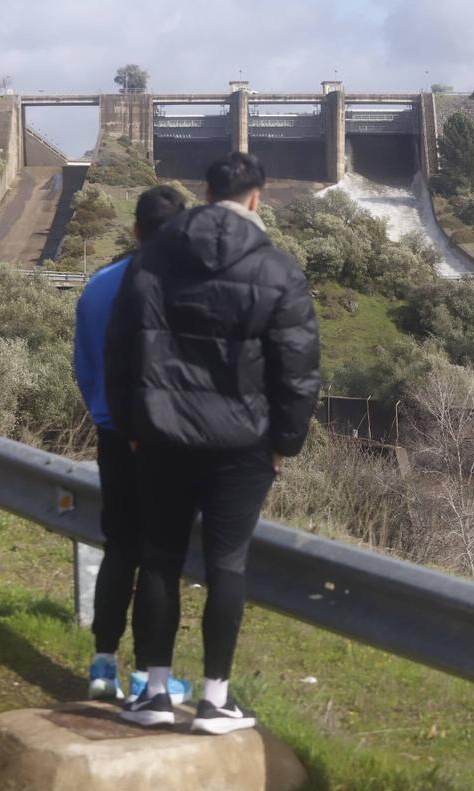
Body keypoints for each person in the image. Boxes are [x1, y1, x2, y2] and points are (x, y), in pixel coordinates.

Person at [105, 152, 320, 734]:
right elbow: (297, 370)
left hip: (161, 435)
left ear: (205, 193)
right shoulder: (278, 269)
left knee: (159, 559)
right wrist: (285, 443)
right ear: (258, 197)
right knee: (227, 565)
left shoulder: (151, 259)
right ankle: (214, 700)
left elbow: (120, 351)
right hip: (242, 444)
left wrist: (130, 428)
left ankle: (152, 694)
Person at [73, 185, 192, 706]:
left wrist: (106, 414)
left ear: (135, 230)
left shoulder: (97, 287)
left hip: (113, 434)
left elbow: (83, 370)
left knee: (119, 546)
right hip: (168, 440)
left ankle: (103, 664)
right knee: (161, 560)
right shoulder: (186, 289)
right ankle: (148, 679)